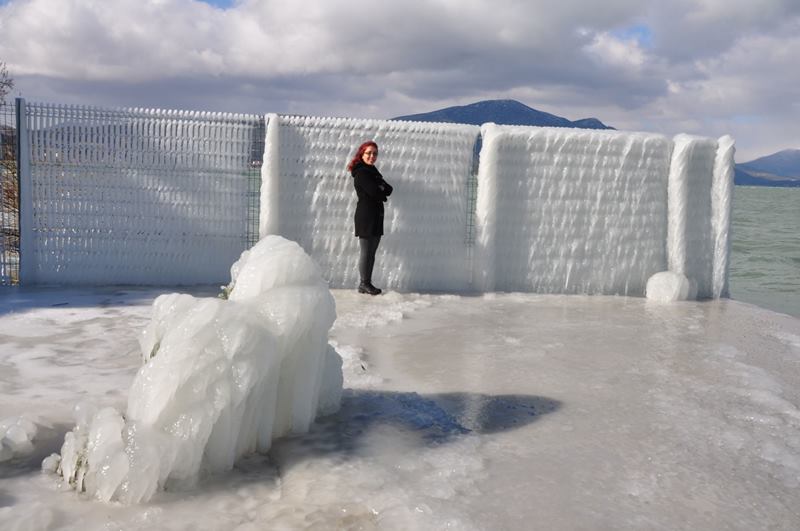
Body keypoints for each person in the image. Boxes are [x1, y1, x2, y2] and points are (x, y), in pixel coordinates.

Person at [348, 141, 393, 295]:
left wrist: (381, 189)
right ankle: (364, 283)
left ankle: (367, 283)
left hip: (376, 215)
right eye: (369, 153)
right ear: (362, 154)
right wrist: (381, 190)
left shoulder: (373, 171)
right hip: (366, 216)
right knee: (366, 252)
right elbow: (376, 192)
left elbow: (389, 189)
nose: (372, 156)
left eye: (375, 154)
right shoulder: (362, 172)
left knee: (371, 252)